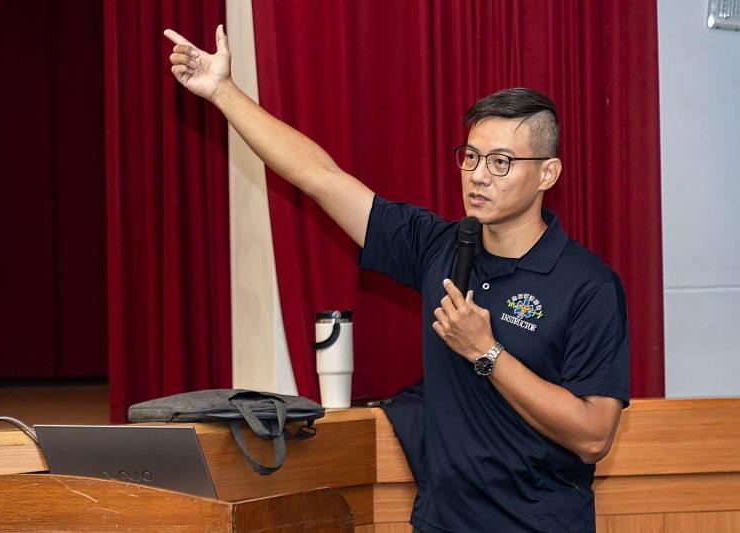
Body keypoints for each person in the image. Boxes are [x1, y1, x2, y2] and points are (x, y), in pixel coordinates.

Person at [164, 26, 629, 533]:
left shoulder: (588, 285)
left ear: (547, 174)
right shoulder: (438, 246)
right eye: (470, 157)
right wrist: (223, 92)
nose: (478, 175)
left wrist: (486, 352)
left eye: (501, 163)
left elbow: (592, 435)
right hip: (441, 523)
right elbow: (320, 176)